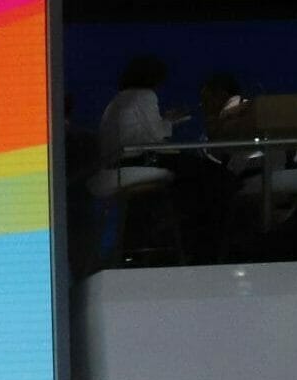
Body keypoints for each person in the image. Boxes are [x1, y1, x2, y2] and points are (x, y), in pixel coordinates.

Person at [96, 55, 233, 262]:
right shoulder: (144, 95)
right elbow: (156, 137)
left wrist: (166, 120)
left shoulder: (119, 99)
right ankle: (207, 243)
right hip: (136, 160)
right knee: (214, 176)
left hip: (117, 163)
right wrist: (169, 121)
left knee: (195, 174)